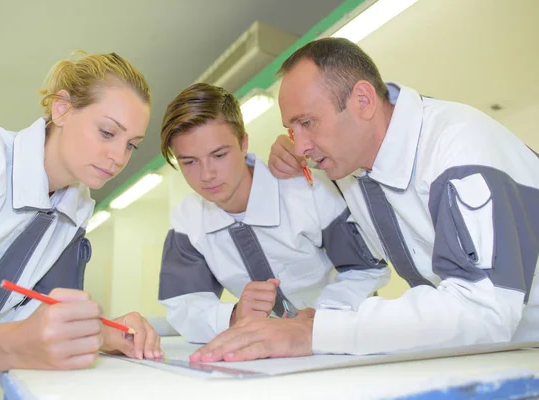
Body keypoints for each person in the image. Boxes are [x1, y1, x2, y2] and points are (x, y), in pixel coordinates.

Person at [190, 37, 539, 363]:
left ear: (363, 101)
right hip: (504, 352)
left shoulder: (459, 148)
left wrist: (316, 331)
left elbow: (484, 310)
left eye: (308, 122)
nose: (299, 146)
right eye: (292, 130)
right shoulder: (352, 171)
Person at [0, 52, 162, 398]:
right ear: (62, 109)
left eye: (131, 144)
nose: (119, 157)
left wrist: (101, 332)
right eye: (107, 132)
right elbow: (13, 337)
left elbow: (35, 312)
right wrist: (4, 346)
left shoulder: (77, 209)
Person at [158, 82, 389, 344]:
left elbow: (367, 270)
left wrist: (322, 318)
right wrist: (234, 316)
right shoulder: (187, 221)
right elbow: (184, 305)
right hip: (269, 353)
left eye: (219, 155)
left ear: (243, 143)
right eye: (189, 162)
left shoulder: (307, 190)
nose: (207, 174)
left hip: (340, 338)